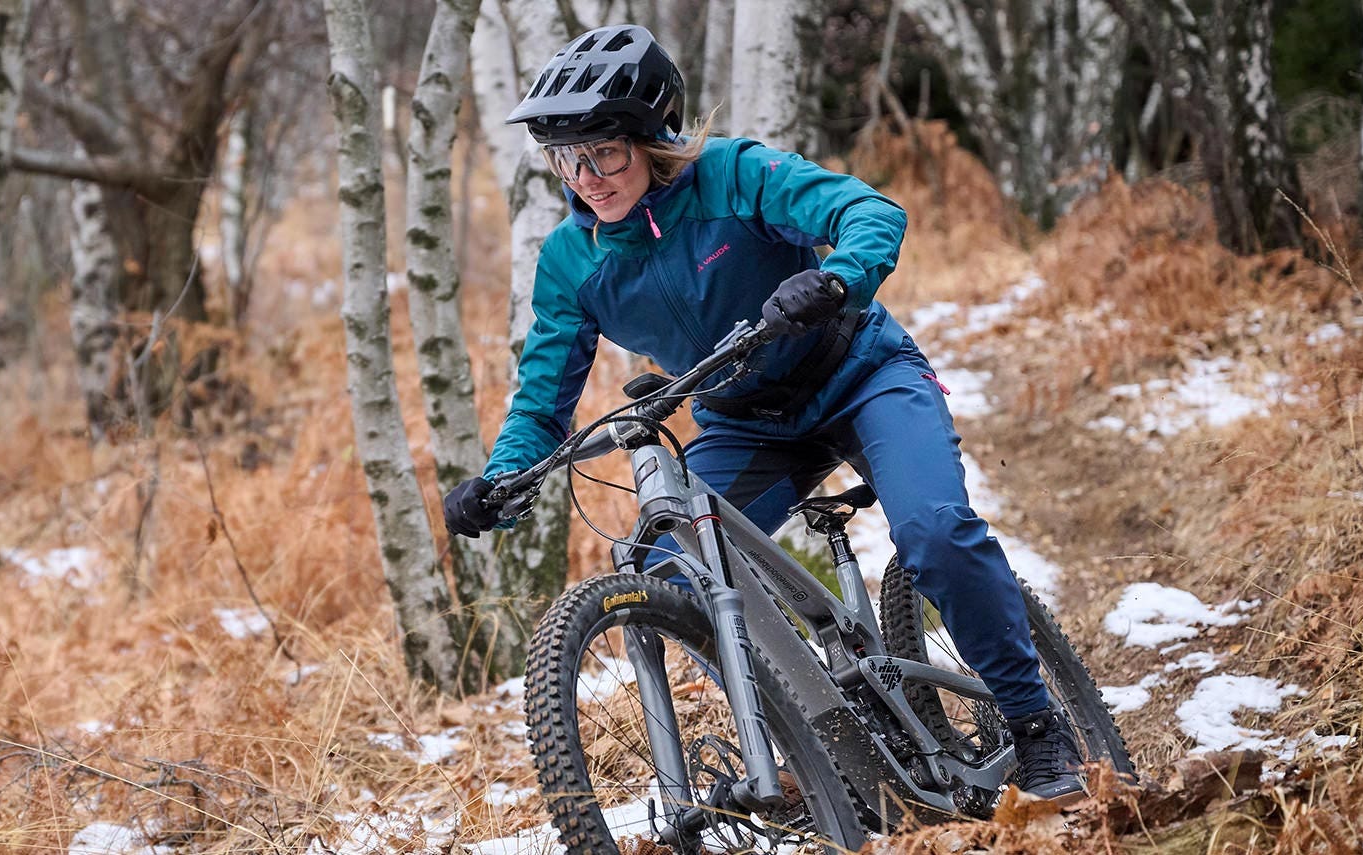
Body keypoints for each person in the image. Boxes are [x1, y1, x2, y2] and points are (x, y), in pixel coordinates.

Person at [441, 24, 1087, 805]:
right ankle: (821, 732)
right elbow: (542, 399)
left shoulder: (732, 175)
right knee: (669, 568)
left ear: (650, 138)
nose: (587, 177)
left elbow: (866, 211)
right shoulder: (572, 262)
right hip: (746, 423)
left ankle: (1035, 719)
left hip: (858, 374)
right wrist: (504, 479)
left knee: (936, 534)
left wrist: (838, 279)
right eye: (566, 159)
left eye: (605, 152)